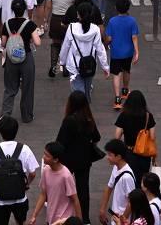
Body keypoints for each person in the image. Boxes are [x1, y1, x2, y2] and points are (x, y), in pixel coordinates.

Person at [0, 114, 40, 225]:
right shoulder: (24, 149)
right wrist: (26, 185)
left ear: (1, 132)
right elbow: (33, 173)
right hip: (20, 197)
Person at [56, 90, 102, 224]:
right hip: (84, 159)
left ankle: (65, 215)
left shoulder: (69, 121)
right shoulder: (88, 119)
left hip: (68, 160)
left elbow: (60, 142)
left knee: (65, 187)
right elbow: (97, 137)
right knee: (83, 189)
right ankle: (85, 218)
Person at [0, 0, 40, 122]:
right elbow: (38, 42)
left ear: (12, 9)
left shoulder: (6, 24)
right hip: (26, 58)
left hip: (11, 60)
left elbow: (3, 42)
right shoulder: (30, 24)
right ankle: (27, 116)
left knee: (10, 88)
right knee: (27, 87)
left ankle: (5, 115)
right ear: (24, 10)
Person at [60, 2, 110, 102]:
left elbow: (65, 46)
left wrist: (62, 62)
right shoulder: (95, 29)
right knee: (86, 92)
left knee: (77, 93)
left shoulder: (71, 28)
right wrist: (105, 67)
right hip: (90, 65)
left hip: (74, 66)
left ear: (78, 14)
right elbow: (100, 49)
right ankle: (85, 112)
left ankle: (80, 113)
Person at [29, 142, 82, 225]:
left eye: (47, 156)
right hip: (50, 218)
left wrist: (79, 221)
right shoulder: (46, 170)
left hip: (64, 220)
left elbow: (75, 199)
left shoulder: (66, 175)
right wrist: (34, 215)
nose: (43, 157)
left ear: (55, 159)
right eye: (44, 154)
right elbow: (43, 194)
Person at [114, 90, 156, 186]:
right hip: (144, 154)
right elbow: (152, 137)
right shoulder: (148, 116)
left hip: (129, 153)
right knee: (142, 181)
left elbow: (117, 136)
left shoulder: (123, 115)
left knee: (130, 180)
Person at [105, 0, 140, 109]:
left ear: (116, 8)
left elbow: (109, 38)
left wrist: (106, 43)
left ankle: (117, 99)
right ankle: (125, 90)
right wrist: (137, 52)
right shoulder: (132, 21)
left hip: (116, 52)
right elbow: (134, 37)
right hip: (128, 52)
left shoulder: (112, 21)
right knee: (126, 70)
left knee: (116, 74)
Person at [44, 0, 78, 77]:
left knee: (55, 43)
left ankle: (53, 66)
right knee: (68, 44)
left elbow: (48, 7)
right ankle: (66, 68)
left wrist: (45, 20)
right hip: (69, 21)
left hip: (55, 20)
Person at [99, 139, 136, 225]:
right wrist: (102, 209)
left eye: (110, 155)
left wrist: (122, 220)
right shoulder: (116, 167)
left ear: (118, 157)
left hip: (122, 220)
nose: (107, 157)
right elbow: (109, 188)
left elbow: (131, 202)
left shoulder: (127, 177)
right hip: (115, 218)